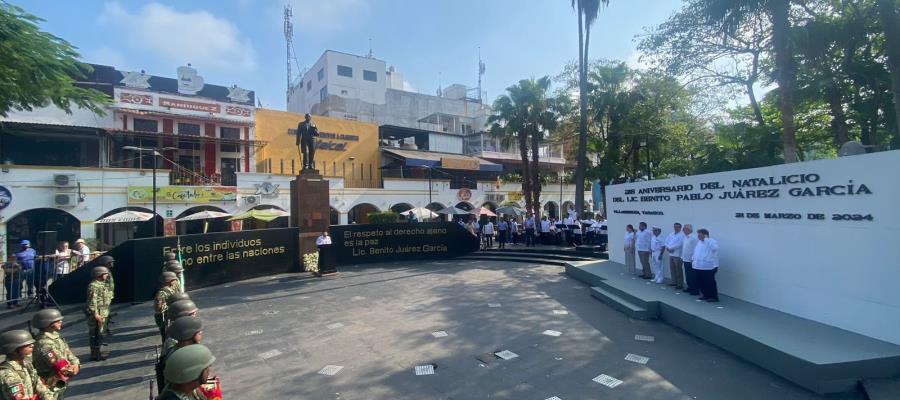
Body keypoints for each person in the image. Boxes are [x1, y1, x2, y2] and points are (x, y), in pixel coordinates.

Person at [31, 308, 80, 397]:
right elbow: (59, 365)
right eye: (57, 321)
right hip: (50, 382)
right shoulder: (44, 343)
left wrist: (75, 363)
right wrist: (71, 369)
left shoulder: (55, 337)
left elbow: (68, 353)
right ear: (47, 324)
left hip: (59, 379)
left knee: (58, 395)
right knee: (53, 396)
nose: (60, 321)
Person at [156, 316, 203, 394]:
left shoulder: (176, 349)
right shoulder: (184, 357)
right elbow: (188, 385)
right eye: (199, 332)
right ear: (192, 335)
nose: (201, 334)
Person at [0, 329, 51, 399]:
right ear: (14, 350)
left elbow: (39, 386)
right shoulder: (7, 373)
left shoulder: (26, 365)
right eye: (27, 345)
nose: (32, 346)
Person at [85, 266, 112, 361]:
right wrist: (95, 314)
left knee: (100, 333)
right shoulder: (94, 286)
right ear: (99, 274)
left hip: (103, 312)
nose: (107, 275)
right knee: (94, 334)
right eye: (105, 274)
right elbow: (92, 301)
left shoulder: (102, 284)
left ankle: (98, 351)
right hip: (97, 314)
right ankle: (94, 354)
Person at [693, 228, 720, 302]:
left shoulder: (712, 241)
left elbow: (715, 248)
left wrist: (706, 239)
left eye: (700, 234)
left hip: (709, 267)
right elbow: (697, 252)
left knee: (710, 282)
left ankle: (713, 296)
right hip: (698, 266)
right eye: (698, 235)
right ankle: (705, 295)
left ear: (705, 235)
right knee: (701, 282)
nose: (698, 236)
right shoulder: (699, 242)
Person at [155, 272, 180, 342]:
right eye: (174, 280)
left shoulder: (172, 290)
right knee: (166, 338)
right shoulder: (161, 293)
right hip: (165, 319)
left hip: (171, 316)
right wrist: (169, 307)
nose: (176, 281)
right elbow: (158, 308)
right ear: (169, 281)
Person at [96, 255, 116, 336]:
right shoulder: (101, 272)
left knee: (106, 313)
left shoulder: (107, 271)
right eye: (110, 262)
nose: (112, 264)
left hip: (108, 295)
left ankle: (105, 329)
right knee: (103, 314)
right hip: (103, 296)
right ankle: (101, 331)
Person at [664, 223, 686, 289]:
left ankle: (680, 284)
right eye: (674, 227)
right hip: (671, 254)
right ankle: (674, 282)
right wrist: (668, 248)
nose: (675, 228)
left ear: (680, 228)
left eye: (677, 227)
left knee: (678, 270)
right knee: (672, 269)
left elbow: (680, 244)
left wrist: (671, 248)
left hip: (678, 255)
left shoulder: (682, 235)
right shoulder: (671, 233)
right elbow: (666, 241)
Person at [680, 224, 700, 296]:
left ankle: (695, 290)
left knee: (693, 276)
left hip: (691, 260)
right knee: (688, 275)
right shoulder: (685, 237)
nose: (683, 230)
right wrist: (682, 257)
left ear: (689, 230)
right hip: (685, 259)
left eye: (684, 229)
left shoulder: (694, 238)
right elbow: (684, 248)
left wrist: (693, 259)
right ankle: (690, 287)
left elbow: (696, 249)